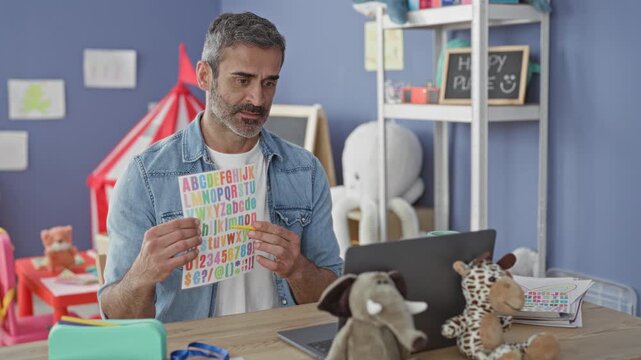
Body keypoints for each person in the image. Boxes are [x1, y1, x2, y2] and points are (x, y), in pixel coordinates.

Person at [99, 12, 343, 323]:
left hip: (280, 347)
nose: (257, 98)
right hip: (191, 350)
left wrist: (297, 269)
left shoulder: (305, 170)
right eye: (242, 80)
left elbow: (332, 298)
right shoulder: (146, 176)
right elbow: (116, 316)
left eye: (269, 83)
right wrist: (142, 274)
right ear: (204, 76)